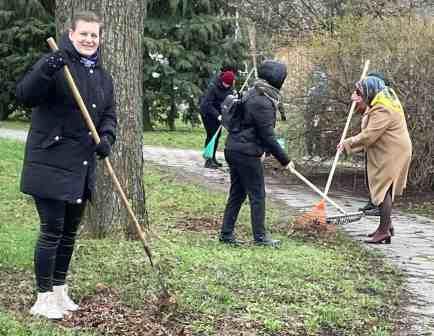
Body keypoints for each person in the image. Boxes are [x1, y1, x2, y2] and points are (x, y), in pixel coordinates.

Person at [15, 11, 116, 319]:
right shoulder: (56, 64)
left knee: (70, 232)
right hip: (50, 160)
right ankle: (43, 297)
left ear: (100, 39)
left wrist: (107, 138)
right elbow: (24, 95)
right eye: (83, 33)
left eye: (94, 35)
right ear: (71, 34)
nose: (89, 39)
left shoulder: (102, 75)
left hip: (82, 164)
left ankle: (59, 290)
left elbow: (109, 113)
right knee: (52, 230)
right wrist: (46, 69)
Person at [220, 60, 294, 247]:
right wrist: (285, 160)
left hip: (234, 148)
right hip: (246, 153)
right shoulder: (263, 100)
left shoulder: (253, 92)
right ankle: (260, 238)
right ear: (277, 79)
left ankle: (226, 234)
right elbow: (268, 136)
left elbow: (257, 130)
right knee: (257, 195)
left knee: (237, 193)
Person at [338, 76, 412, 244]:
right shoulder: (382, 98)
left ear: (370, 91)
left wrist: (348, 143)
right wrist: (360, 102)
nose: (355, 95)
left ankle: (384, 231)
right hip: (390, 148)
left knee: (383, 188)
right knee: (382, 187)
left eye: (359, 92)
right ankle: (386, 227)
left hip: (392, 151)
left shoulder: (383, 108)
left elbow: (370, 135)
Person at [358, 72, 391, 216]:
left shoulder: (383, 105)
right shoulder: (374, 102)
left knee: (383, 185)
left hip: (386, 149)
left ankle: (384, 225)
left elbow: (371, 132)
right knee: (373, 177)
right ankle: (373, 203)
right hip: (374, 146)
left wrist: (348, 144)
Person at [199, 69, 236, 169]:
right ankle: (208, 160)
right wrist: (217, 115)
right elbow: (207, 104)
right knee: (211, 135)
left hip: (219, 114)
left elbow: (228, 101)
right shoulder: (213, 87)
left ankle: (213, 158)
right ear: (222, 80)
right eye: (225, 84)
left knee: (217, 135)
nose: (226, 86)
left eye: (229, 84)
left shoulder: (230, 88)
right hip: (207, 112)